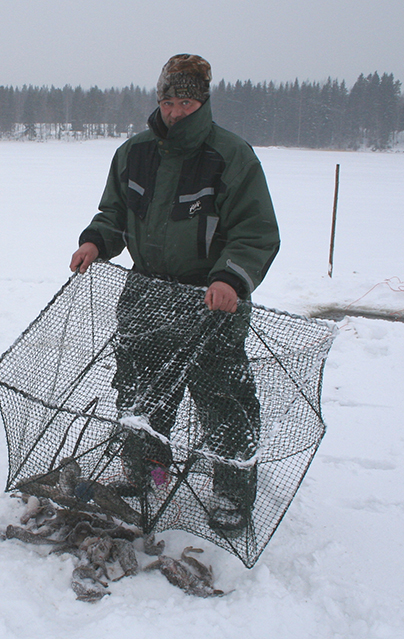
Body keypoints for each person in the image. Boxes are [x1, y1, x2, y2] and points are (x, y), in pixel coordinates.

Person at [69, 54, 280, 532]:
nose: (176, 111)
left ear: (201, 100)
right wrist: (95, 242)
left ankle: (230, 492)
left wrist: (230, 278)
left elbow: (257, 233)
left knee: (221, 400)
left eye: (185, 101)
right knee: (139, 393)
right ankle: (146, 474)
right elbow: (114, 213)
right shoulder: (133, 152)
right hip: (145, 296)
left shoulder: (232, 156)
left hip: (211, 304)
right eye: (168, 101)